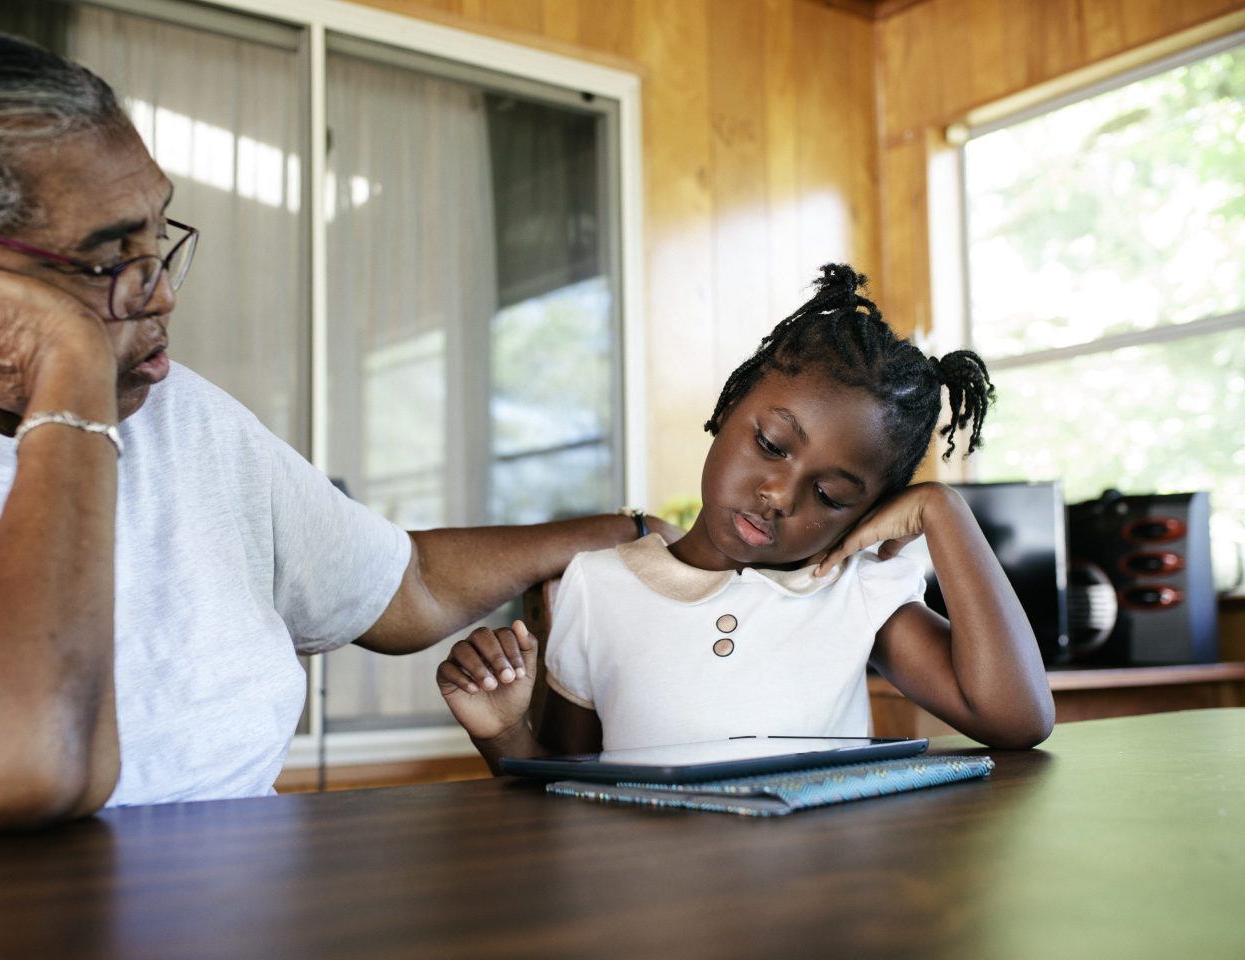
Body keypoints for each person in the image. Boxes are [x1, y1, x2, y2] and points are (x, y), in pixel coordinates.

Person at [0, 17, 670, 831]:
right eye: (111, 261)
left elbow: (403, 587)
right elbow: (11, 764)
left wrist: (617, 531)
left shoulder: (188, 417)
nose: (164, 293)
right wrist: (67, 371)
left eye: (158, 241)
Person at [437, 264, 1056, 770]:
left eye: (833, 496)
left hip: (817, 905)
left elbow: (1017, 718)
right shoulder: (597, 587)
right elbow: (564, 784)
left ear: (868, 513)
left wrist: (943, 510)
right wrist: (502, 735)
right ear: (730, 406)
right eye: (770, 445)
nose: (782, 496)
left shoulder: (853, 589)